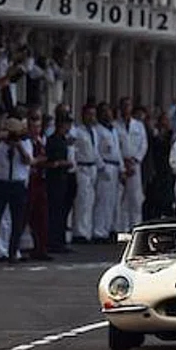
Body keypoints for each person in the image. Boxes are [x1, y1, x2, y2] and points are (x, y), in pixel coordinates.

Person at [0, 118, 34, 261]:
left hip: (17, 184)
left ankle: (13, 251)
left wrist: (18, 146)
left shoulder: (25, 142)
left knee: (17, 221)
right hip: (1, 182)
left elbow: (28, 161)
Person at [68, 101, 101, 244]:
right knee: (82, 200)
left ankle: (88, 231)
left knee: (90, 201)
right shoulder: (77, 131)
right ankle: (79, 233)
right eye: (89, 114)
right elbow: (71, 144)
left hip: (92, 167)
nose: (91, 117)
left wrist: (102, 166)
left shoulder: (94, 131)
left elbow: (96, 151)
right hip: (82, 168)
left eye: (93, 115)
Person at [44, 109, 76, 255]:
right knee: (55, 211)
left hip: (65, 178)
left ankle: (60, 240)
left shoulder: (64, 139)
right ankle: (53, 241)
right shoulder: (53, 140)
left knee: (63, 211)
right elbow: (52, 161)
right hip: (55, 179)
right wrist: (64, 163)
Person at [92, 105, 122, 242]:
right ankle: (99, 231)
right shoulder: (98, 130)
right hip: (106, 164)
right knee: (102, 200)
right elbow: (95, 149)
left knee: (112, 201)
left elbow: (118, 150)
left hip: (115, 165)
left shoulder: (113, 130)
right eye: (105, 112)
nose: (108, 114)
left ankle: (109, 228)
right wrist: (101, 166)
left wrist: (122, 169)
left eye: (109, 111)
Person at [118, 102, 149, 233]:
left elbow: (144, 144)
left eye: (128, 106)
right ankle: (121, 228)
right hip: (121, 163)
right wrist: (122, 162)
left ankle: (135, 227)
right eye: (124, 106)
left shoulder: (139, 126)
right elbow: (115, 146)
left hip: (135, 164)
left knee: (135, 198)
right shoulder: (115, 126)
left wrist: (135, 159)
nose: (126, 109)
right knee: (120, 198)